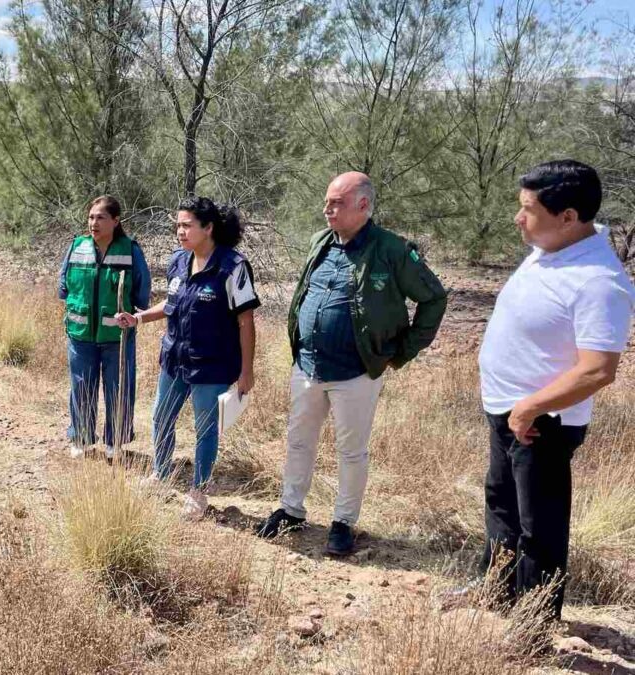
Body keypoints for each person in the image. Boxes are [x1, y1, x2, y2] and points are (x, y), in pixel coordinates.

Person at [468, 160, 632, 619]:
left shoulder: (599, 282)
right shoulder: (552, 247)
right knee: (502, 508)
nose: (518, 218)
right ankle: (496, 597)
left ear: (568, 216)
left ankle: (532, 627)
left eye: (528, 209)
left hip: (544, 421)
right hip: (509, 409)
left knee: (539, 526)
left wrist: (530, 408)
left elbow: (598, 370)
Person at [256, 172, 448, 555]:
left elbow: (434, 299)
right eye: (327, 201)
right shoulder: (320, 242)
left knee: (351, 449)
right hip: (308, 365)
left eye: (337, 203)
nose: (327, 209)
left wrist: (403, 350)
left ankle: (343, 522)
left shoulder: (391, 249)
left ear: (363, 205)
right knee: (298, 440)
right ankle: (291, 510)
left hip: (358, 370)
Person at [116, 197, 259, 520]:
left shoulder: (232, 267)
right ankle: (160, 474)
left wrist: (246, 370)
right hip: (175, 358)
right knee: (160, 417)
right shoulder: (179, 260)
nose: (180, 231)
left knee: (205, 428)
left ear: (208, 228)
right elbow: (172, 304)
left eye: (187, 225)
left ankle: (198, 491)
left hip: (213, 364)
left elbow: (246, 321)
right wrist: (138, 318)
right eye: (178, 225)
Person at [58, 195, 151, 460]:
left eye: (100, 217)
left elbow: (142, 292)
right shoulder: (77, 246)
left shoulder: (130, 249)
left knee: (118, 388)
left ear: (116, 220)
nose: (93, 223)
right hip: (81, 335)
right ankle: (82, 438)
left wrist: (131, 315)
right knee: (81, 386)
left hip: (117, 336)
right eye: (90, 217)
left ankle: (116, 442)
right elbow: (64, 286)